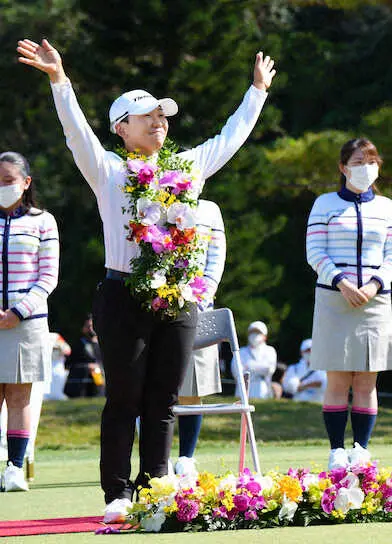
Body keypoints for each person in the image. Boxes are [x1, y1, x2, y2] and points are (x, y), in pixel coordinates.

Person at [19, 37, 274, 518]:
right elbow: (76, 132)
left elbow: (230, 138)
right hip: (121, 295)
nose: (160, 123)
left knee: (162, 402)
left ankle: (156, 489)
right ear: (121, 128)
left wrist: (256, 92)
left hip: (178, 297)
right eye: (148, 117)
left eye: (164, 117)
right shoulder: (109, 170)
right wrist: (60, 81)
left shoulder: (188, 167)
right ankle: (117, 494)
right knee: (124, 399)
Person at [306, 137, 392, 470]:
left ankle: (361, 449)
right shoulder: (324, 204)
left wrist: (375, 285)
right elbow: (315, 252)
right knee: (337, 379)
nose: (366, 168)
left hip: (375, 302)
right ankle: (336, 450)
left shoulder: (386, 207)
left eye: (371, 161)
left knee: (365, 380)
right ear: (343, 167)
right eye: (358, 162)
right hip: (335, 298)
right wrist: (343, 282)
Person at [0, 152, 60, 492]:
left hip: (27, 322)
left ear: (26, 183)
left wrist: (17, 312)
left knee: (20, 397)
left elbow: (48, 277)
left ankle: (14, 468)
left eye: (9, 181)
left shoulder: (43, 221)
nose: (3, 187)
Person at [173, 199, 226, 477]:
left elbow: (215, 258)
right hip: (156, 304)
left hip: (198, 305)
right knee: (157, 390)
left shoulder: (210, 210)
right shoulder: (152, 201)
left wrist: (201, 297)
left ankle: (186, 458)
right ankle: (157, 458)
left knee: (192, 390)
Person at [64, 315, 104, 398]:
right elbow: (68, 365)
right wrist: (87, 367)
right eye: (88, 326)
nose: (91, 329)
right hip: (82, 389)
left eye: (93, 326)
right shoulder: (78, 346)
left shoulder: (103, 345)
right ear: (83, 328)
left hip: (102, 388)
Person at [239, 321, 278, 400]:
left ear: (265, 336)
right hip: (242, 392)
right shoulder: (241, 351)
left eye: (258, 333)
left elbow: (269, 369)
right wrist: (260, 368)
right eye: (252, 332)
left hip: (264, 392)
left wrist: (248, 367)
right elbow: (237, 371)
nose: (254, 335)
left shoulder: (270, 350)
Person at [282, 339, 327, 403]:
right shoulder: (294, 368)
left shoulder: (323, 369)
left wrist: (302, 386)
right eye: (307, 350)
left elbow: (326, 386)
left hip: (318, 404)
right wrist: (310, 384)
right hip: (297, 403)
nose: (310, 352)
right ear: (301, 352)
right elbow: (288, 387)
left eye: (312, 350)